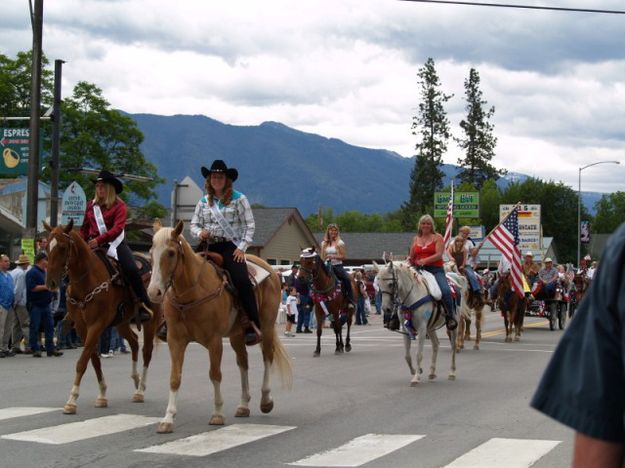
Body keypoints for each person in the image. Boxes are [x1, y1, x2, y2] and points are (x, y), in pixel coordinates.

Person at [531, 222, 625, 468]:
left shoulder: (600, 264)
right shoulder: (540, 271)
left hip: (560, 288)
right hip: (544, 286)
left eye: (551, 265)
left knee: (445, 289)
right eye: (548, 264)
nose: (549, 266)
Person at [190, 159, 260, 345]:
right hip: (207, 245)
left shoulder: (239, 198)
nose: (217, 180)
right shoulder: (203, 201)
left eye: (220, 177)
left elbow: (250, 226)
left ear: (227, 179)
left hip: (230, 246)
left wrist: (242, 247)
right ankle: (170, 318)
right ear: (209, 179)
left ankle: (251, 323)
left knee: (242, 281)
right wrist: (199, 232)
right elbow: (194, 225)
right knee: (181, 269)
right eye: (214, 176)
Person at [79, 170, 153, 322]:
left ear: (110, 188)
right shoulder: (90, 206)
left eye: (103, 186)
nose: (99, 189)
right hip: (92, 245)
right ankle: (73, 303)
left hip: (115, 244)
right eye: (98, 186)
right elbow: (84, 229)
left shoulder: (120, 206)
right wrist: (83, 243)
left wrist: (99, 240)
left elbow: (117, 229)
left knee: (131, 269)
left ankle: (142, 303)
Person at [408, 214, 457, 330]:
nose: (426, 225)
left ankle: (450, 316)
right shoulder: (415, 239)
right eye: (423, 223)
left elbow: (439, 254)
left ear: (432, 225)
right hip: (419, 270)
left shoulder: (437, 237)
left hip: (435, 270)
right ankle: (397, 316)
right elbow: (411, 256)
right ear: (419, 225)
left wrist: (424, 260)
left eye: (428, 223)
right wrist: (406, 264)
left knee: (445, 290)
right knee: (404, 288)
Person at [26, 252, 62, 358]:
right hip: (36, 304)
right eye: (47, 260)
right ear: (41, 260)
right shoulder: (32, 272)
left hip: (46, 305)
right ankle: (35, 349)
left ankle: (50, 349)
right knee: (35, 327)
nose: (48, 263)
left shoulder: (45, 272)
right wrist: (46, 287)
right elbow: (32, 288)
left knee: (50, 327)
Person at [320, 224, 355, 309]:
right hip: (327, 265)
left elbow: (343, 256)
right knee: (317, 277)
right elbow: (322, 256)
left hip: (337, 266)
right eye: (331, 230)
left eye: (335, 230)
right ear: (328, 231)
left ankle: (350, 300)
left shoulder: (340, 243)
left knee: (347, 279)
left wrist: (334, 256)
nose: (333, 232)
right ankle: (312, 300)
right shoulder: (324, 243)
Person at [10, 254, 31, 354]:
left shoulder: (13, 272)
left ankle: (15, 345)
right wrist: (17, 301)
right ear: (25, 263)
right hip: (20, 302)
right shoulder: (22, 274)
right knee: (25, 324)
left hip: (13, 302)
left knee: (16, 325)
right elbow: (18, 290)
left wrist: (13, 302)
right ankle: (28, 346)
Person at [457, 226, 483, 307]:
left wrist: (478, 247)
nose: (464, 235)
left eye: (466, 233)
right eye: (463, 232)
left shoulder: (469, 243)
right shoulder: (453, 242)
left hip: (466, 265)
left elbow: (473, 254)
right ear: (459, 232)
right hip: (454, 264)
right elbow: (449, 252)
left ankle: (477, 292)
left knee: (472, 275)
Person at [0, 253, 16, 358]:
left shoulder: (9, 275)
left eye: (8, 261)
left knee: (8, 328)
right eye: (5, 261)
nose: (8, 263)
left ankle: (5, 348)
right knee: (0, 328)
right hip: (1, 304)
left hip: (10, 305)